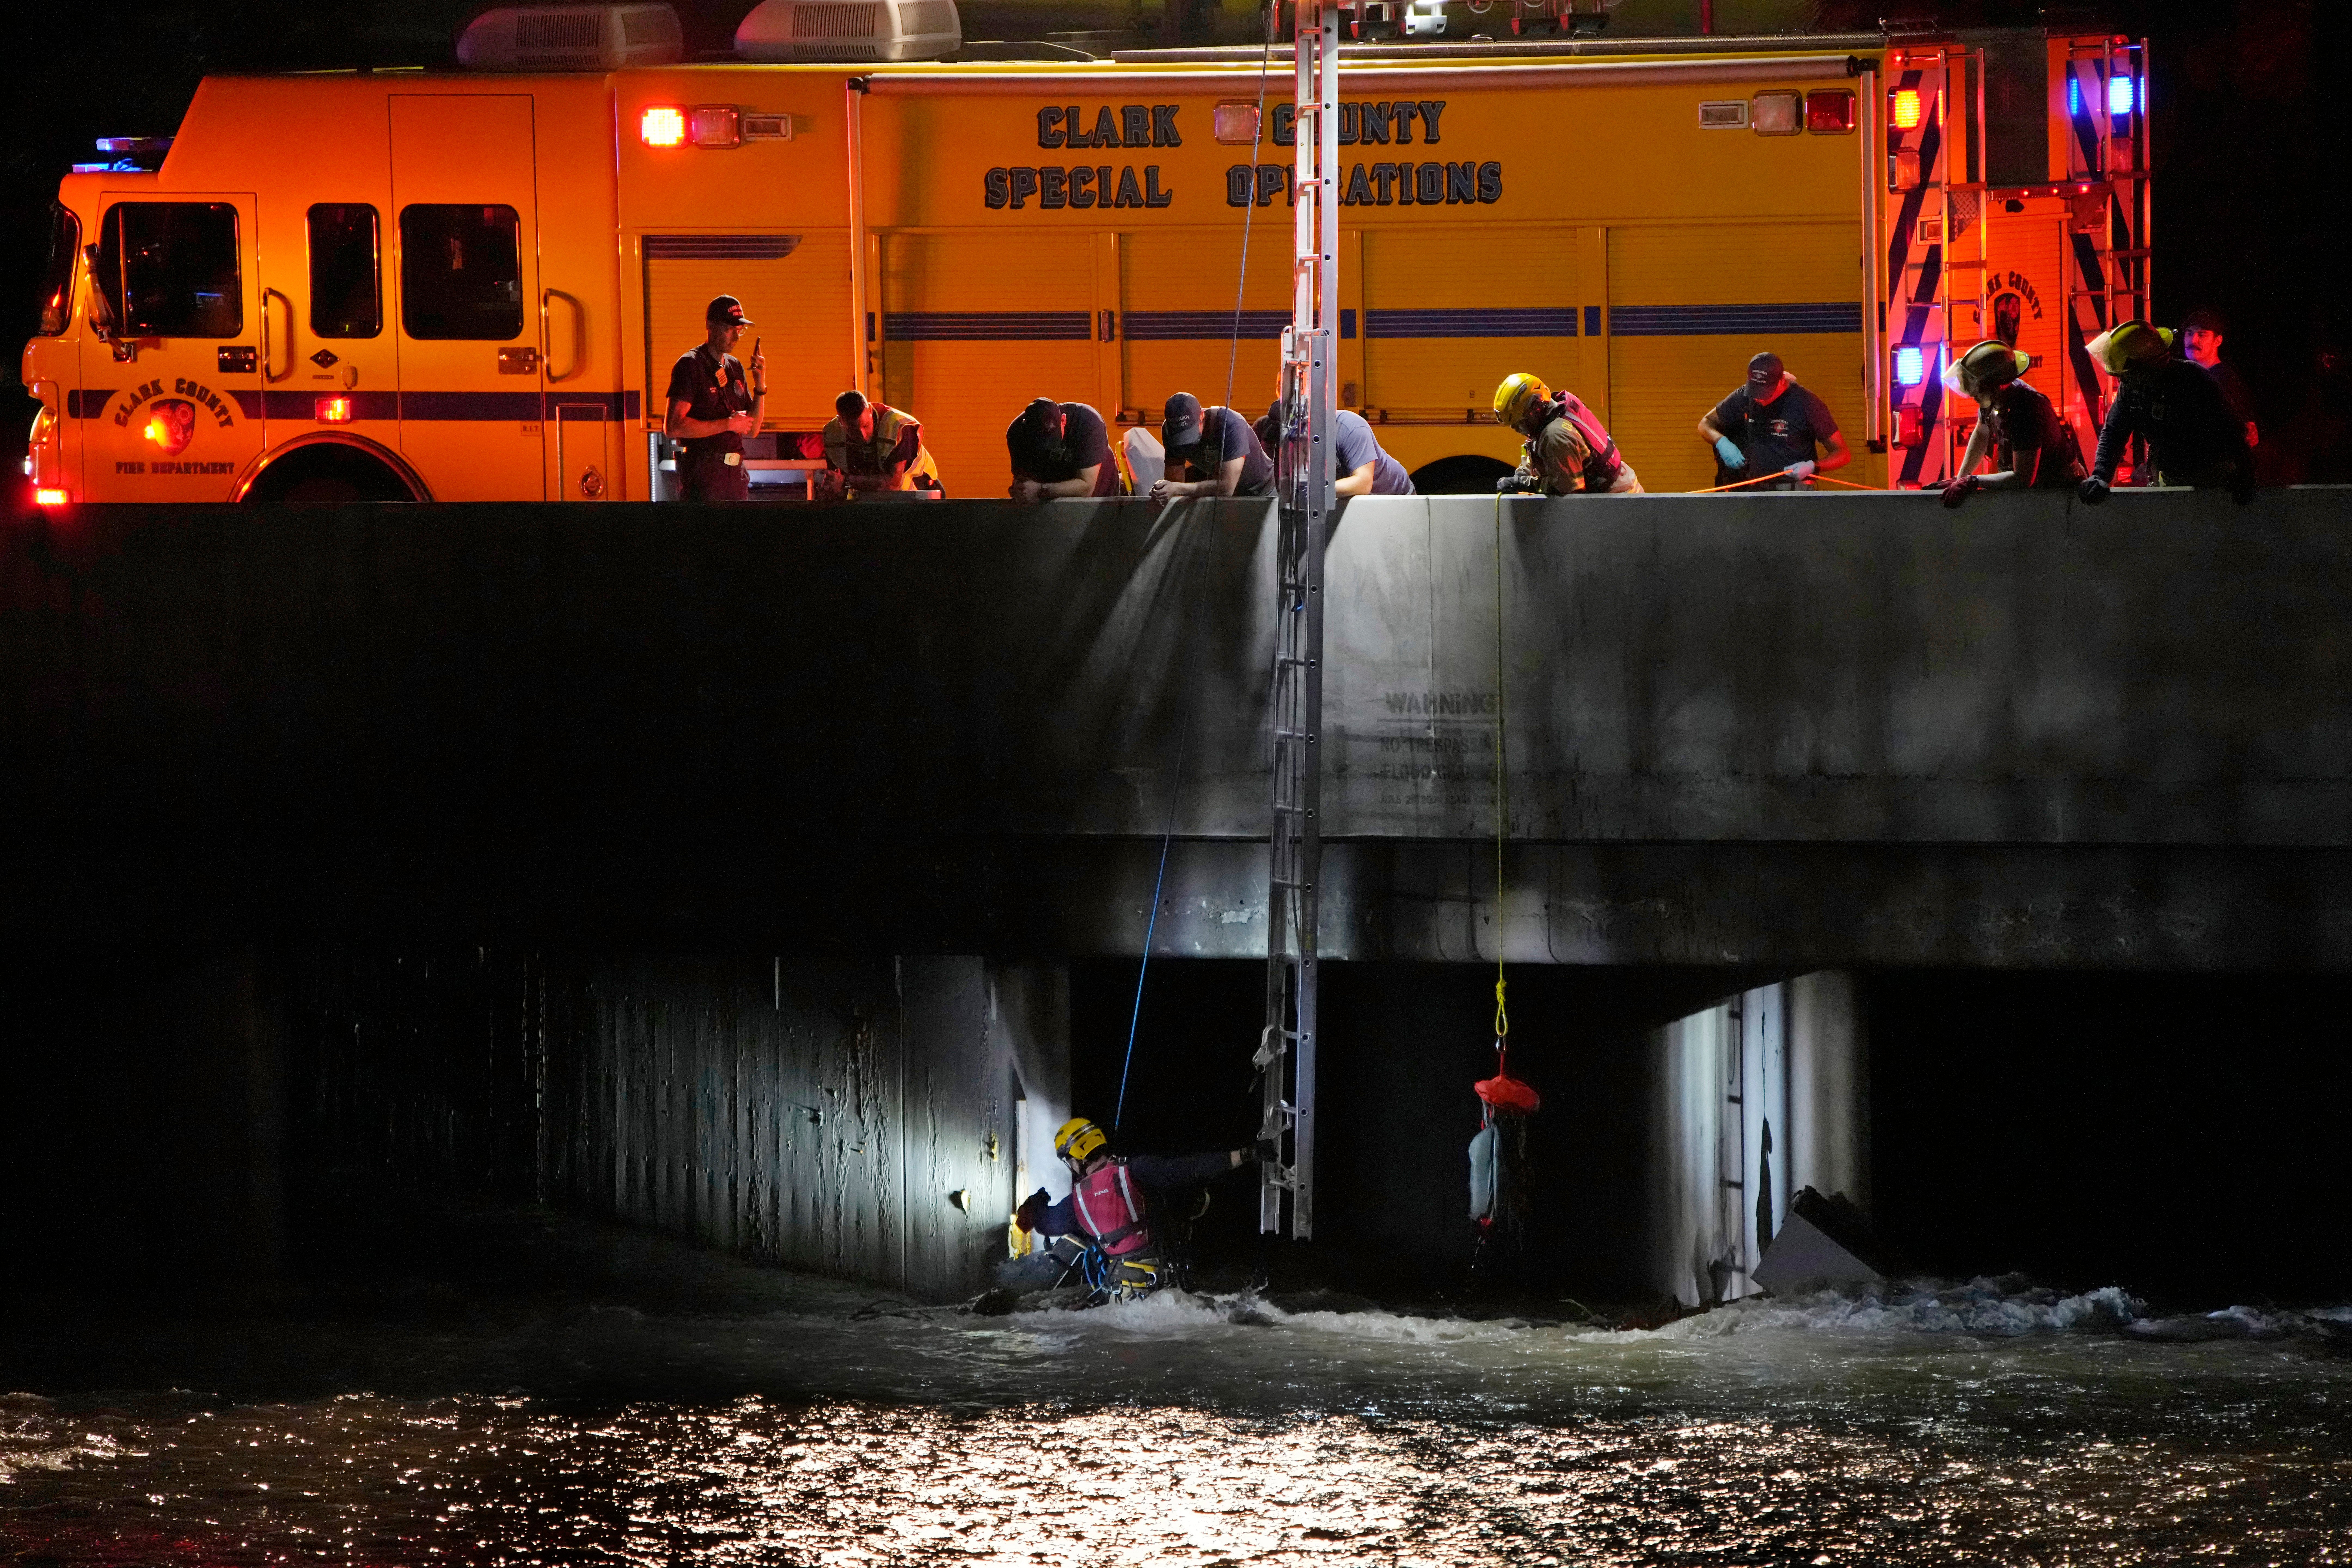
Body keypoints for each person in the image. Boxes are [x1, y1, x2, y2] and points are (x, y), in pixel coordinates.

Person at [1012, 1117, 1260, 1300]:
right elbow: (1188, 1170)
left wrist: (1037, 1202)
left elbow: (1044, 1223)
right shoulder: (1136, 1170)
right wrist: (1244, 1155)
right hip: (1167, 1289)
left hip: (1122, 1296)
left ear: (1078, 1156)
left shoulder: (1077, 1201)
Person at [2078, 320, 2254, 504]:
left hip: (2213, 480)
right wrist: (2100, 476)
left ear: (2152, 366)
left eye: (2129, 374)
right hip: (2171, 479)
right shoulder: (2131, 387)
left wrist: (2245, 472)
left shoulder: (2192, 380)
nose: (2123, 381)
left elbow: (2232, 429)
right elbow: (2114, 432)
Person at [1939, 340, 2085, 506]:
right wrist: (1960, 479)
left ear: (1996, 386)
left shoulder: (2025, 409)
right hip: (2040, 493)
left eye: (1977, 389)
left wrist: (1972, 481)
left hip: (2061, 496)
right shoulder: (1994, 398)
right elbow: (1981, 435)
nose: (1974, 396)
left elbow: (2023, 478)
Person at [1698, 352, 1851, 489]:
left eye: (1766, 394)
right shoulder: (1744, 396)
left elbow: (1843, 454)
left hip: (1794, 493)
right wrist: (1721, 442)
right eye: (1755, 392)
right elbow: (1706, 424)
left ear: (1782, 381)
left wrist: (1813, 467)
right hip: (1755, 491)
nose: (1759, 399)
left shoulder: (1807, 404)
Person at [664, 296, 766, 501]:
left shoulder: (735, 366)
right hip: (704, 475)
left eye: (740, 330)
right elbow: (673, 427)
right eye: (729, 330)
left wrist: (760, 386)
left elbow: (753, 429)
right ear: (710, 326)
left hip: (736, 475)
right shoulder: (690, 365)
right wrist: (728, 424)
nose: (736, 337)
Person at [1490, 373, 1641, 495]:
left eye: (1519, 423)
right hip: (1618, 488)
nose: (1515, 429)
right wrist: (1521, 475)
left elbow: (1568, 489)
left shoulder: (1555, 435)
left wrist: (1523, 483)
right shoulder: (1554, 413)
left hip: (1618, 501)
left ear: (1536, 410)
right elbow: (1544, 458)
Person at [1254, 402, 1416, 496]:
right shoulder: (1268, 430)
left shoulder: (1349, 427)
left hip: (1393, 495)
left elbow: (1363, 483)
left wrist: (1315, 490)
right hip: (1348, 497)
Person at [1149, 393, 1274, 506]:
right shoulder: (1169, 432)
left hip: (1263, 492)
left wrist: (1177, 488)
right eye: (1181, 436)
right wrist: (1164, 491)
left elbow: (1227, 488)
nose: (1188, 444)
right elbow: (1175, 483)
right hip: (1227, 497)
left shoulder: (1230, 423)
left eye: (1191, 431)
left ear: (1202, 415)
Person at [820, 389, 942, 497]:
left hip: (923, 493)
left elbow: (893, 484)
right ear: (841, 422)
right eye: (854, 431)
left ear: (870, 411)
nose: (863, 436)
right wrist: (832, 488)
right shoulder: (832, 434)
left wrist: (846, 482)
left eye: (866, 426)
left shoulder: (899, 426)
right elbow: (836, 483)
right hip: (874, 501)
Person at [1006, 397, 1122, 500]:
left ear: (1064, 420)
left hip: (1099, 488)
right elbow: (1024, 484)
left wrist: (1041, 490)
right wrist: (1022, 490)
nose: (1049, 450)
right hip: (1049, 488)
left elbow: (1087, 489)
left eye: (1052, 442)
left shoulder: (1087, 421)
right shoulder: (1016, 434)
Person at [2180, 307, 2258, 452]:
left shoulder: (2226, 382)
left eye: (2202, 335)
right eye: (2189, 334)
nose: (2193, 340)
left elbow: (2245, 436)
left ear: (2218, 341)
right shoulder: (2183, 377)